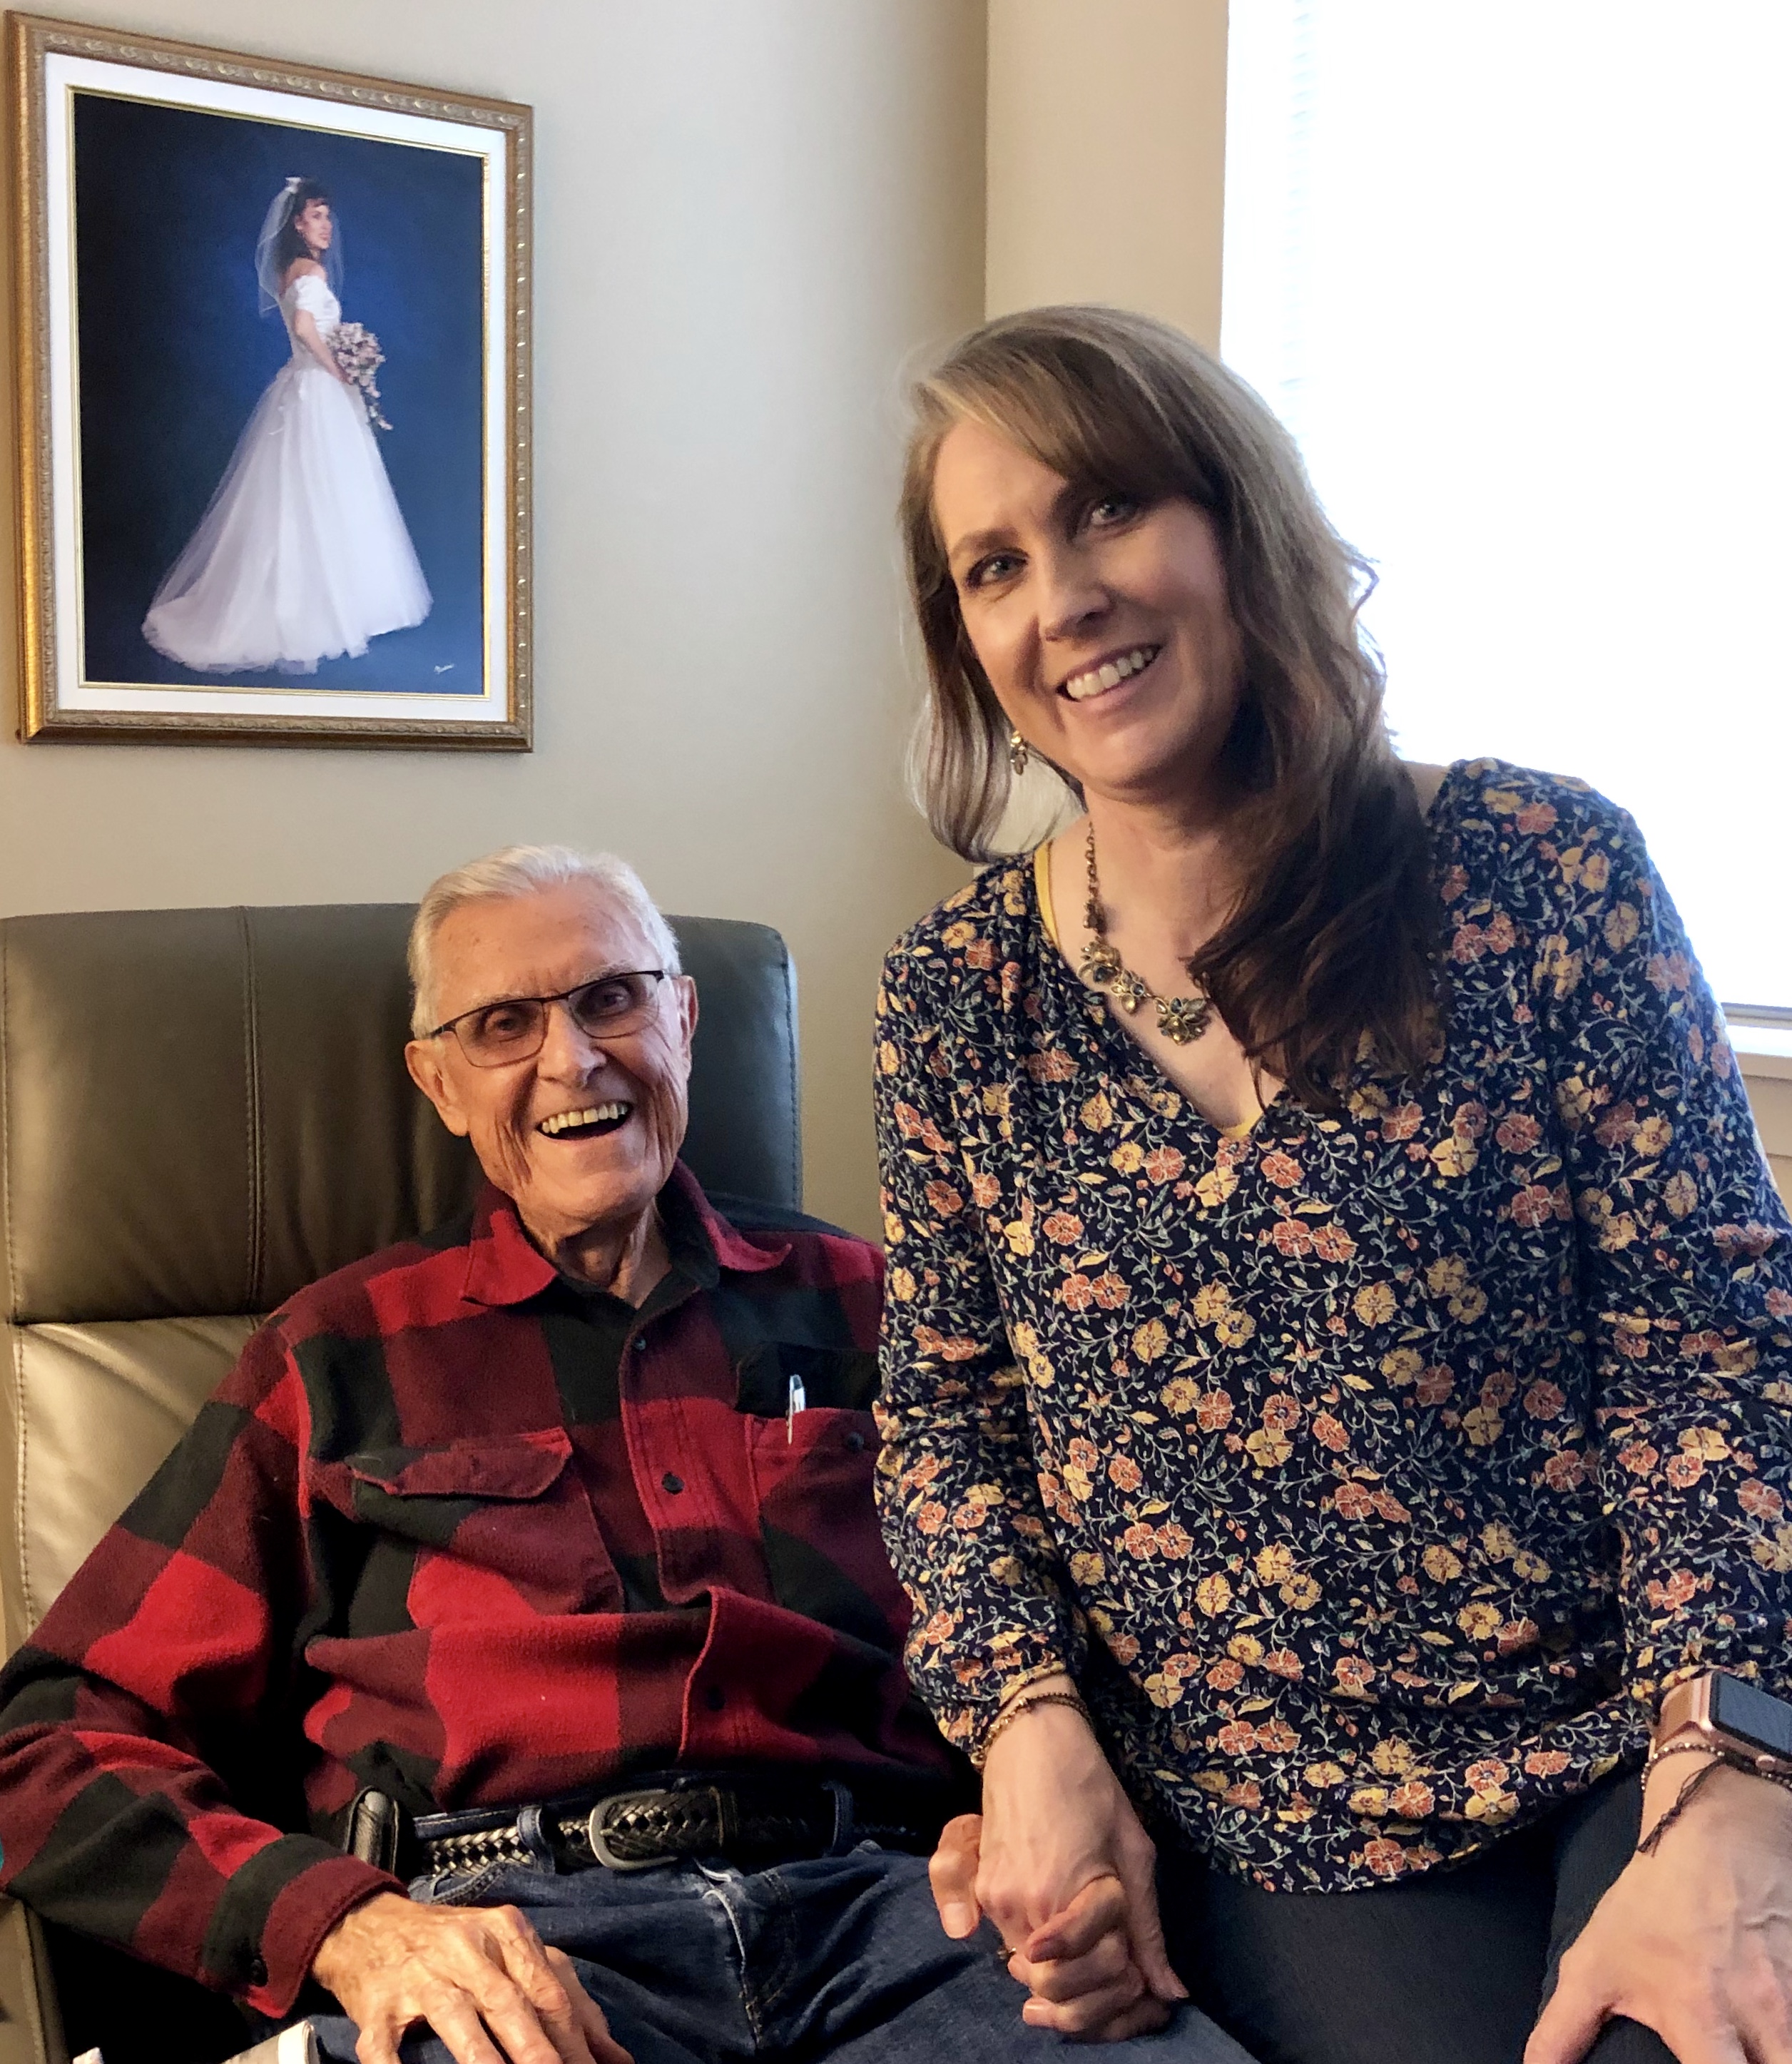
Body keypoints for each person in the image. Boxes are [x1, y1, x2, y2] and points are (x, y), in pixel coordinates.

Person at [872, 305, 1792, 2064]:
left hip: (1634, 1733)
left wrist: (1732, 1774)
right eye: (992, 566)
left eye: (1106, 508)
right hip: (1261, 1822)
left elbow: (1713, 1355)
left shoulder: (1541, 873)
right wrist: (1022, 1723)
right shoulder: (956, 1000)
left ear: (1239, 524)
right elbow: (943, 1423)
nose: (1061, 598)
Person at [0, 843, 1251, 2064]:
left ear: (685, 1020)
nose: (571, 1057)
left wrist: (1024, 1804)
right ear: (438, 1084)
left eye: (611, 998)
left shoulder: (879, 1303)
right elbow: (45, 1744)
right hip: (516, 1948)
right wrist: (345, 1927)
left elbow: (1098, 1622)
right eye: (502, 1024)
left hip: (902, 1919)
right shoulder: (333, 1356)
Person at [142, 176, 430, 674]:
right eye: (316, 216)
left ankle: (308, 600)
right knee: (326, 492)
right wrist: (338, 367)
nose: (326, 225)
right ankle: (328, 609)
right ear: (297, 223)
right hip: (317, 391)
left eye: (328, 216)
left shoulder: (288, 273)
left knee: (297, 495)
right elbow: (303, 327)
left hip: (298, 387)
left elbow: (299, 328)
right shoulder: (311, 272)